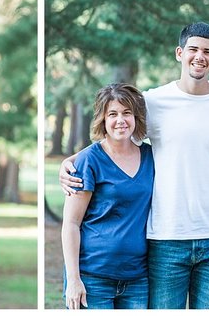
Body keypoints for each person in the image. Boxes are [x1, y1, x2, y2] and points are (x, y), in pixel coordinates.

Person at [60, 22, 209, 309]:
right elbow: (117, 137)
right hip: (165, 237)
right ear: (179, 53)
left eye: (207, 52)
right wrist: (73, 160)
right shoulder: (153, 102)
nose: (199, 56)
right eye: (193, 49)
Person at [62, 83, 154, 309]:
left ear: (136, 117)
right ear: (102, 119)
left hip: (137, 279)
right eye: (112, 114)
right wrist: (73, 280)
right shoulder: (89, 160)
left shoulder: (151, 156)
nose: (120, 120)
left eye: (127, 113)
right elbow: (71, 223)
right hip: (93, 277)